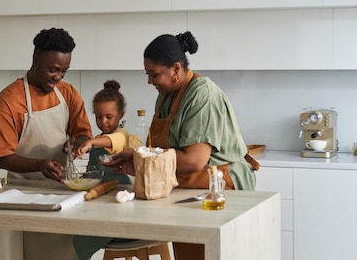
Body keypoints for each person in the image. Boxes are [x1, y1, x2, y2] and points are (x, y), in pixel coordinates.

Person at [103, 31, 259, 260]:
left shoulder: (201, 94)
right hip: (189, 188)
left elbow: (194, 160)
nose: (149, 81)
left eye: (154, 74)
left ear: (176, 69)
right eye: (147, 74)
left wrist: (140, 159)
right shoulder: (166, 95)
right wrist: (136, 160)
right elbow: (163, 153)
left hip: (219, 188)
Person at [0, 27, 94, 260]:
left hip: (65, 195)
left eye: (64, 71)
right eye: (53, 70)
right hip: (22, 197)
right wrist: (40, 165)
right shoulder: (8, 101)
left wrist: (78, 143)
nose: (58, 77)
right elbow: (0, 156)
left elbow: (84, 133)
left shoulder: (67, 93)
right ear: (35, 59)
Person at [75, 79, 133, 185]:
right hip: (98, 187)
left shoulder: (122, 135)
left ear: (121, 115)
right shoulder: (97, 139)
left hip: (118, 188)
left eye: (109, 117)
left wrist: (90, 142)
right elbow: (93, 168)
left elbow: (110, 140)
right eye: (99, 117)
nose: (103, 121)